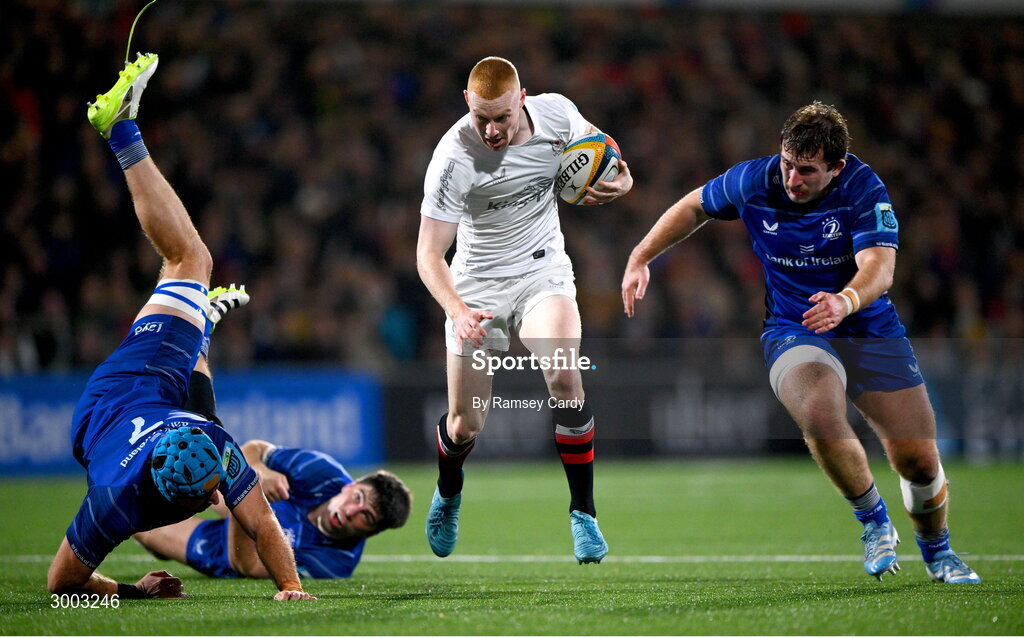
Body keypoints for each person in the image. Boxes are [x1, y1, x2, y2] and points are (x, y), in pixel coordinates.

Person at [621, 101, 980, 584]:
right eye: (788, 163)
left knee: (917, 459)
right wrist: (642, 256)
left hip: (866, 325)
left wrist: (846, 301)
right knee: (818, 412)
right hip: (793, 326)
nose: (792, 179)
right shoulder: (756, 179)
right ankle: (874, 522)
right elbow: (693, 206)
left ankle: (939, 553)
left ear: (836, 167)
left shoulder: (862, 188)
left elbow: (880, 267)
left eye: (806, 171)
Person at [46, 52, 316, 601]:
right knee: (190, 263)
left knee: (189, 261)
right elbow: (261, 524)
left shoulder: (143, 485)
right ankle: (119, 128)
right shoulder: (197, 450)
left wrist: (138, 592)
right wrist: (287, 585)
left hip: (128, 389)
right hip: (109, 424)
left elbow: (60, 586)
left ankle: (124, 133)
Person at [417, 56, 633, 563]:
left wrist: (622, 182)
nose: (492, 129)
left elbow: (611, 156)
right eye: (482, 118)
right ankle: (449, 493)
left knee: (564, 378)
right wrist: (456, 310)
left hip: (542, 270)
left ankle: (584, 514)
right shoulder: (453, 158)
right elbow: (428, 253)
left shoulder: (558, 114)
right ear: (467, 103)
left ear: (522, 99)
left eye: (502, 118)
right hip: (475, 288)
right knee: (465, 425)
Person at [135, 438, 411, 580]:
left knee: (140, 523)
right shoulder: (320, 471)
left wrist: (247, 491)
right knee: (143, 495)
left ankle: (159, 543)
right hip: (238, 506)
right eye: (358, 498)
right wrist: (258, 470)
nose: (352, 511)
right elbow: (251, 449)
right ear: (350, 487)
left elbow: (247, 564)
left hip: (228, 548)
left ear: (370, 533)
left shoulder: (336, 562)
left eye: (366, 517)